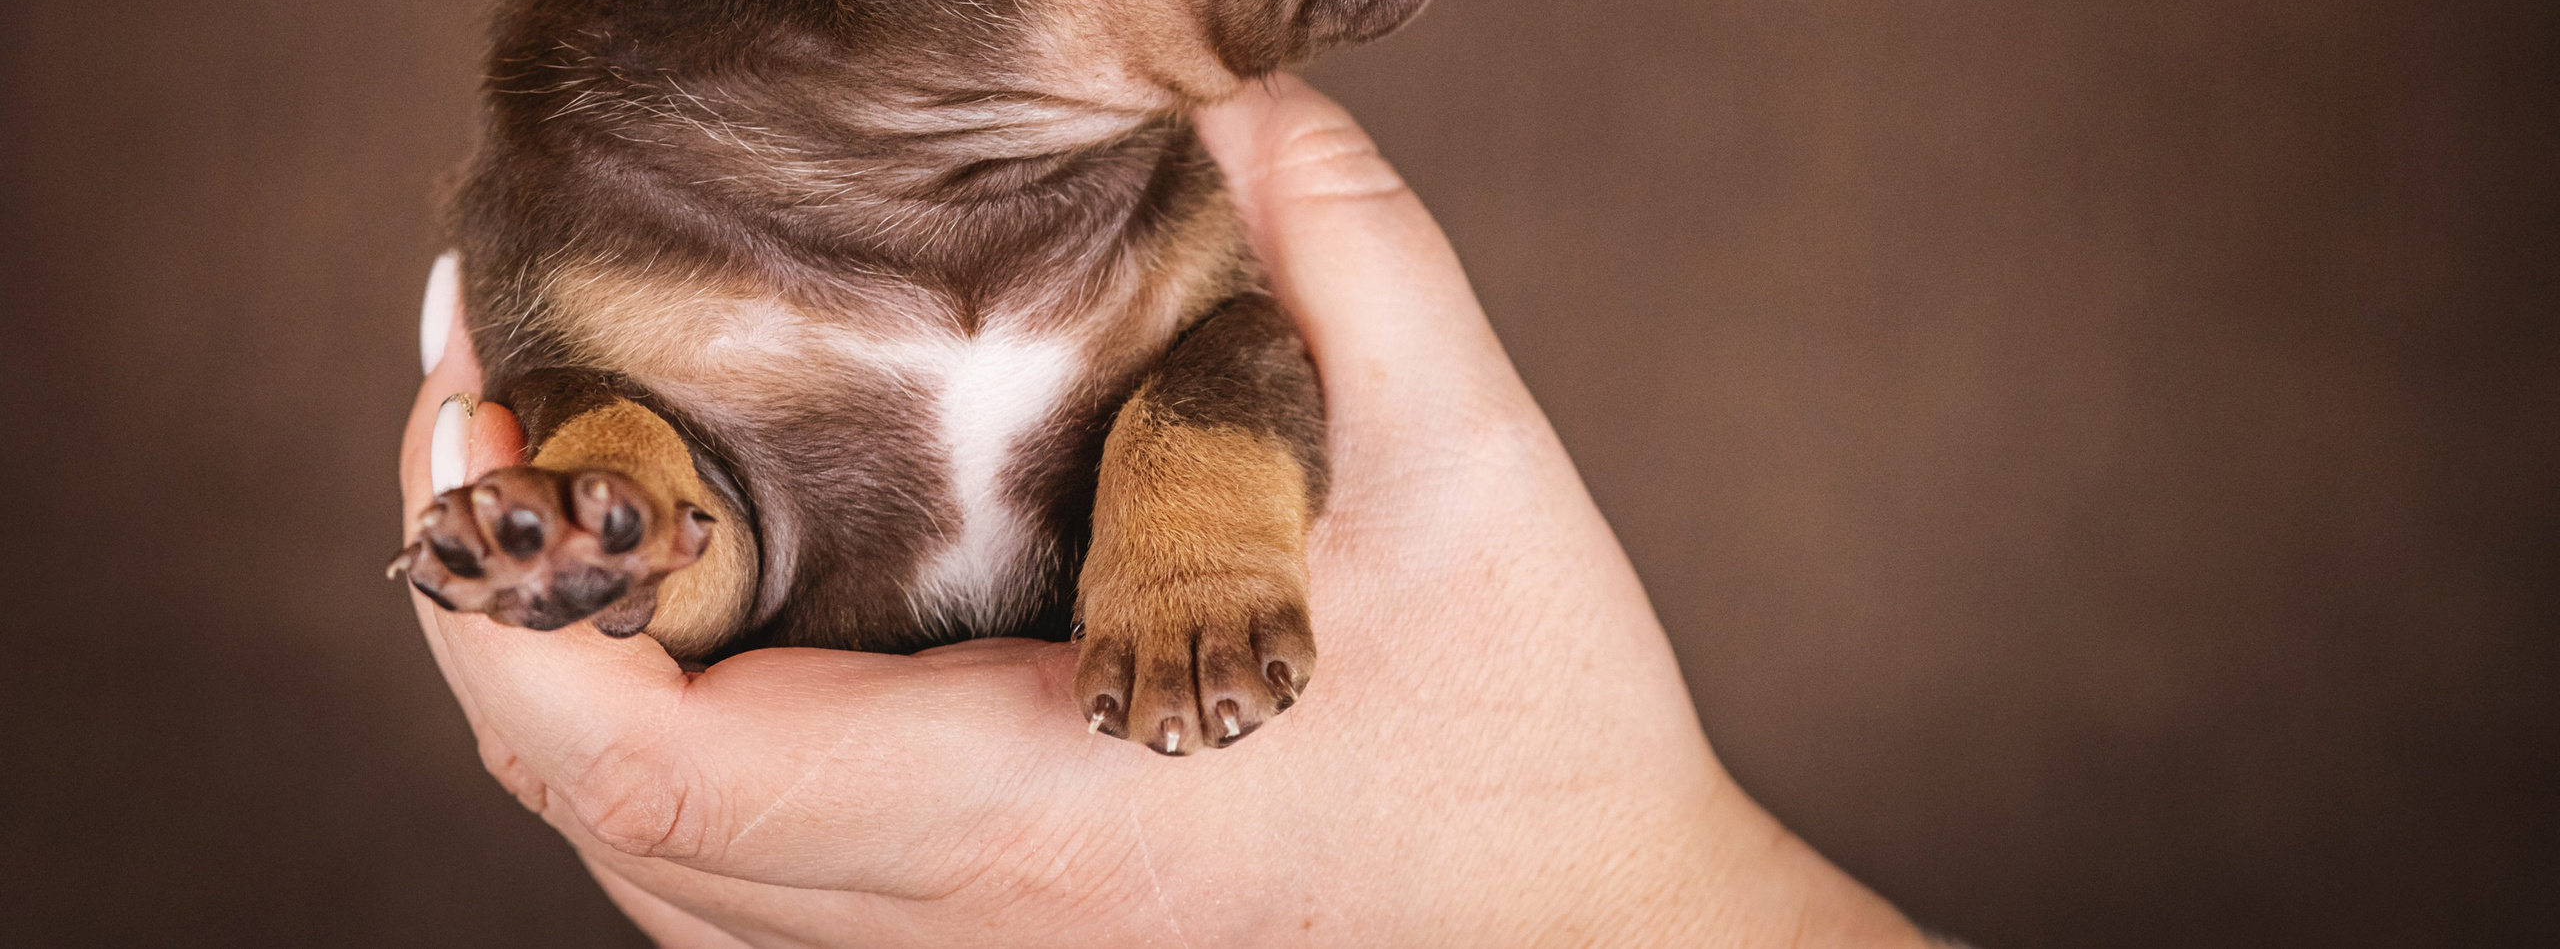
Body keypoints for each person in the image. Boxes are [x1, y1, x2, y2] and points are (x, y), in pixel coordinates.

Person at [397, 75, 1929, 946]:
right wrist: (621, 491)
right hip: (760, 569)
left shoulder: (1142, 162)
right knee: (655, 476)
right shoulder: (647, 157)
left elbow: (1240, 355)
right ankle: (619, 519)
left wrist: (1598, 893)